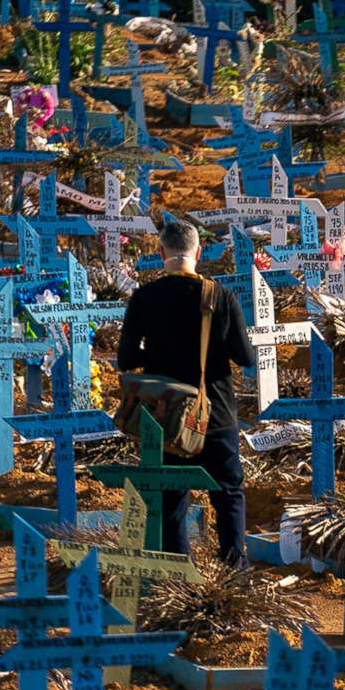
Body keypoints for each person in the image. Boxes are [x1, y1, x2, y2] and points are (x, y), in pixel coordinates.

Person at [114, 217, 256, 566]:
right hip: (216, 414)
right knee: (228, 494)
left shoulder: (144, 297)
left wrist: (161, 356)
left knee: (171, 494)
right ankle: (232, 572)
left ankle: (178, 574)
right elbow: (246, 356)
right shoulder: (219, 296)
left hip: (164, 415)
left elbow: (126, 358)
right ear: (199, 252)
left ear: (160, 252)